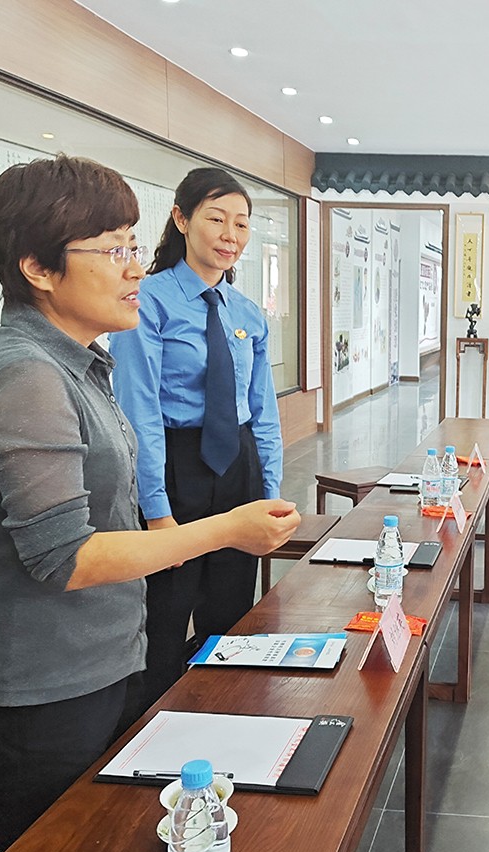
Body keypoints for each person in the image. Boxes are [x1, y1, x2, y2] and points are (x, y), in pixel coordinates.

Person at [0, 155, 300, 852]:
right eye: (113, 251)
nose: (136, 268)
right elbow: (67, 556)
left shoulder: (76, 362)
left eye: (133, 246)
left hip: (95, 661)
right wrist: (221, 528)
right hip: (42, 679)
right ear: (38, 268)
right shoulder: (26, 377)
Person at [110, 167, 284, 718]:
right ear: (182, 220)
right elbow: (139, 411)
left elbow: (263, 412)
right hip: (175, 463)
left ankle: (224, 717)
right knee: (165, 616)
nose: (231, 235)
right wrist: (157, 510)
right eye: (216, 219)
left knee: (231, 613)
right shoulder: (147, 302)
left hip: (238, 465)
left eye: (242, 223)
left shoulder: (247, 313)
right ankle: (152, 731)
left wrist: (270, 493)